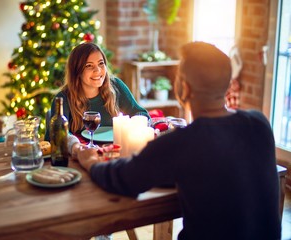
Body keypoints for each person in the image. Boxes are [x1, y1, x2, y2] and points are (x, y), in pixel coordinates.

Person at [77, 42, 281, 239]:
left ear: (184, 88)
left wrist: (90, 161)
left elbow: (122, 179)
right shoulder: (259, 124)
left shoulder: (181, 144)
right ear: (227, 84)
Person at [45, 42, 150, 157]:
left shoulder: (116, 86)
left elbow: (140, 113)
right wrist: (75, 147)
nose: (98, 70)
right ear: (77, 71)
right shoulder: (62, 98)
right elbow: (58, 134)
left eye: (101, 63)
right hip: (83, 155)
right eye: (89, 65)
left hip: (116, 152)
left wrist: (135, 124)